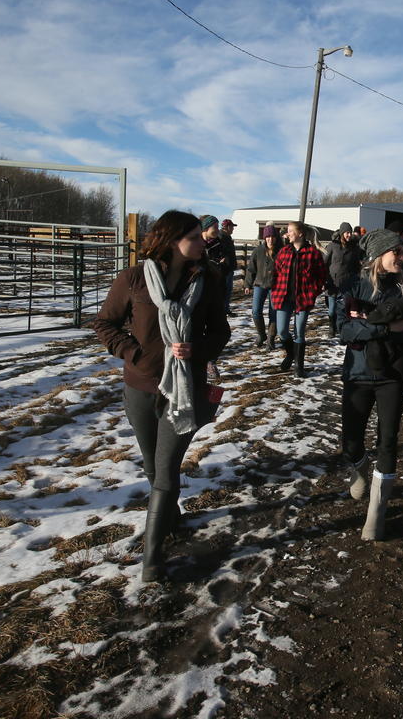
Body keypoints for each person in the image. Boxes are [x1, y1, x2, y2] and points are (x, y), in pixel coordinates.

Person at [92, 210, 230, 582]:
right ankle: (171, 516)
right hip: (139, 384)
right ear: (173, 240)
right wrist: (132, 353)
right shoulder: (134, 278)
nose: (203, 242)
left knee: (166, 470)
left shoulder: (208, 280)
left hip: (185, 387)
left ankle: (152, 559)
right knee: (152, 464)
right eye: (196, 237)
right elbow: (104, 323)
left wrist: (198, 349)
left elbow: (221, 331)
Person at [337, 228, 403, 540]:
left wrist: (368, 321)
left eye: (402, 251)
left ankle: (376, 514)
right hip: (358, 374)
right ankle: (360, 470)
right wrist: (384, 325)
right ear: (378, 255)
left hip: (392, 376)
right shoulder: (352, 284)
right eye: (396, 252)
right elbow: (344, 331)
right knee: (350, 442)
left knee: (387, 441)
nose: (402, 257)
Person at [272, 221, 327, 377]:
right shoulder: (283, 251)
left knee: (299, 333)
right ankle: (291, 354)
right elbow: (275, 273)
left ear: (300, 234)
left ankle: (299, 367)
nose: (287, 234)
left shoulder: (313, 253)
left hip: (303, 298)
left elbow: (321, 276)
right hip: (283, 297)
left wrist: (313, 291)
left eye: (290, 231)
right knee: (282, 331)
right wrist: (274, 289)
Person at [245, 224, 282, 348]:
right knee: (256, 311)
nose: (270, 239)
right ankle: (261, 334)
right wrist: (248, 284)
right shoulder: (258, 250)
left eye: (272, 236)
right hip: (259, 284)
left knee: (274, 312)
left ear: (276, 237)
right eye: (268, 237)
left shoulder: (281, 251)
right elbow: (251, 269)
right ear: (264, 238)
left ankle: (271, 338)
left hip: (275, 286)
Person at [324, 222, 363, 338]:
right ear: (342, 233)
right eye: (346, 233)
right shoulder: (332, 246)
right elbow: (324, 262)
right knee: (331, 310)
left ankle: (341, 328)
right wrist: (324, 279)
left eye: (350, 233)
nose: (349, 235)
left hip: (347, 283)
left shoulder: (354, 248)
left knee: (343, 309)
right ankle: (332, 326)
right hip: (332, 283)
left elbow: (357, 265)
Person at [219, 219, 238, 316]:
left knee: (228, 289)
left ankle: (226, 308)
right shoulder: (222, 237)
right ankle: (223, 309)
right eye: (232, 227)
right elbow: (223, 252)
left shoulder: (227, 237)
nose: (233, 229)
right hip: (225, 268)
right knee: (225, 289)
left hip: (229, 268)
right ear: (227, 227)